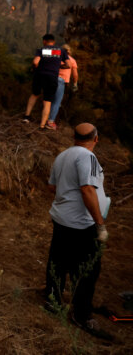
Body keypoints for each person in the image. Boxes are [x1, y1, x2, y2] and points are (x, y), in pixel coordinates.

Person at [43, 123, 113, 341]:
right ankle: (81, 315)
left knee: (59, 260)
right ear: (96, 139)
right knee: (88, 269)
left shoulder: (63, 155)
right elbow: (87, 189)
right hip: (82, 223)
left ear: (74, 137)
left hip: (62, 218)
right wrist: (99, 224)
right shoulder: (87, 157)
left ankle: (52, 301)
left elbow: (52, 187)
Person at [22, 34, 69, 130]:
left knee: (35, 94)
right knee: (47, 101)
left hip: (40, 75)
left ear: (44, 41)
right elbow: (68, 65)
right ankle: (42, 126)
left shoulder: (42, 50)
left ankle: (26, 117)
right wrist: (58, 67)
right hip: (52, 77)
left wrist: (36, 68)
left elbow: (35, 62)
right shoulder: (61, 51)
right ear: (54, 41)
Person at [46, 44, 79, 130]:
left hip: (49, 78)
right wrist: (75, 84)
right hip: (61, 81)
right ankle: (50, 122)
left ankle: (43, 118)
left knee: (48, 99)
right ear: (69, 51)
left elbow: (44, 54)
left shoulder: (55, 56)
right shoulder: (72, 60)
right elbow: (75, 75)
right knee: (56, 102)